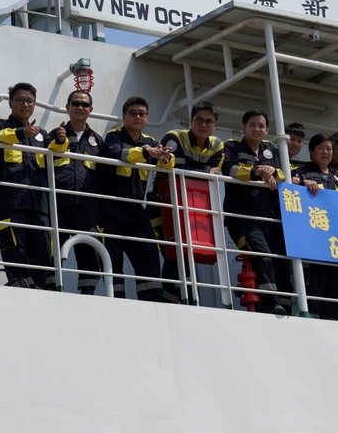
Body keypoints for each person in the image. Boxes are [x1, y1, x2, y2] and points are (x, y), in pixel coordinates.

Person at [95, 96, 174, 301]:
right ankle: (117, 301)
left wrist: (166, 158)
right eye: (133, 113)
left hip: (138, 212)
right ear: (124, 116)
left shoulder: (150, 141)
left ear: (147, 117)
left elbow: (166, 164)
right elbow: (115, 154)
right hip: (112, 210)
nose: (137, 117)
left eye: (142, 113)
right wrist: (148, 152)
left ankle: (152, 302)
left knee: (148, 256)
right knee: (113, 259)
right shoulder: (114, 136)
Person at [0, 83, 57, 289]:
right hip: (9, 201)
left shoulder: (42, 133)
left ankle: (39, 288)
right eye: (20, 100)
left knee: (43, 244)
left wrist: (60, 139)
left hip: (39, 203)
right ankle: (20, 285)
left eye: (30, 101)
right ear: (10, 103)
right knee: (14, 244)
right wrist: (21, 132)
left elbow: (56, 150)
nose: (26, 104)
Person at [222, 109, 290, 316]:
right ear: (243, 127)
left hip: (270, 218)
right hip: (242, 218)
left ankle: (285, 304)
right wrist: (257, 172)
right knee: (264, 255)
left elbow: (284, 173)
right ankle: (269, 304)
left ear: (267, 130)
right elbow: (229, 170)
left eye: (261, 126)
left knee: (281, 259)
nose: (257, 129)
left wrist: (272, 172)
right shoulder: (232, 146)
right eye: (252, 125)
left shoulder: (272, 150)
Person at [157, 101, 224, 304]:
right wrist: (203, 171)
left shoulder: (217, 145)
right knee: (172, 252)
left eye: (209, 121)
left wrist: (196, 171)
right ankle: (174, 301)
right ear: (191, 120)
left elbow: (214, 171)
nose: (204, 125)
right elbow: (175, 167)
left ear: (215, 125)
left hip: (197, 205)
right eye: (199, 120)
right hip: (165, 204)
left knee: (187, 255)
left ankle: (181, 300)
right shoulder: (174, 137)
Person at [292, 132, 338, 322]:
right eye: (321, 148)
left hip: (337, 245)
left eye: (329, 149)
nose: (326, 152)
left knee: (334, 292)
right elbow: (290, 191)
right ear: (311, 151)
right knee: (314, 288)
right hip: (313, 243)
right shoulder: (301, 172)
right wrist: (302, 183)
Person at [47, 90, 104, 294]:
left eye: (84, 104)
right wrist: (58, 141)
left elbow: (104, 176)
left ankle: (87, 294)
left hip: (88, 205)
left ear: (90, 110)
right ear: (67, 107)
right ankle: (51, 291)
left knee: (89, 251)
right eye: (75, 103)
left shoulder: (98, 141)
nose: (80, 107)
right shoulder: (54, 135)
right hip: (58, 202)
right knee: (52, 249)